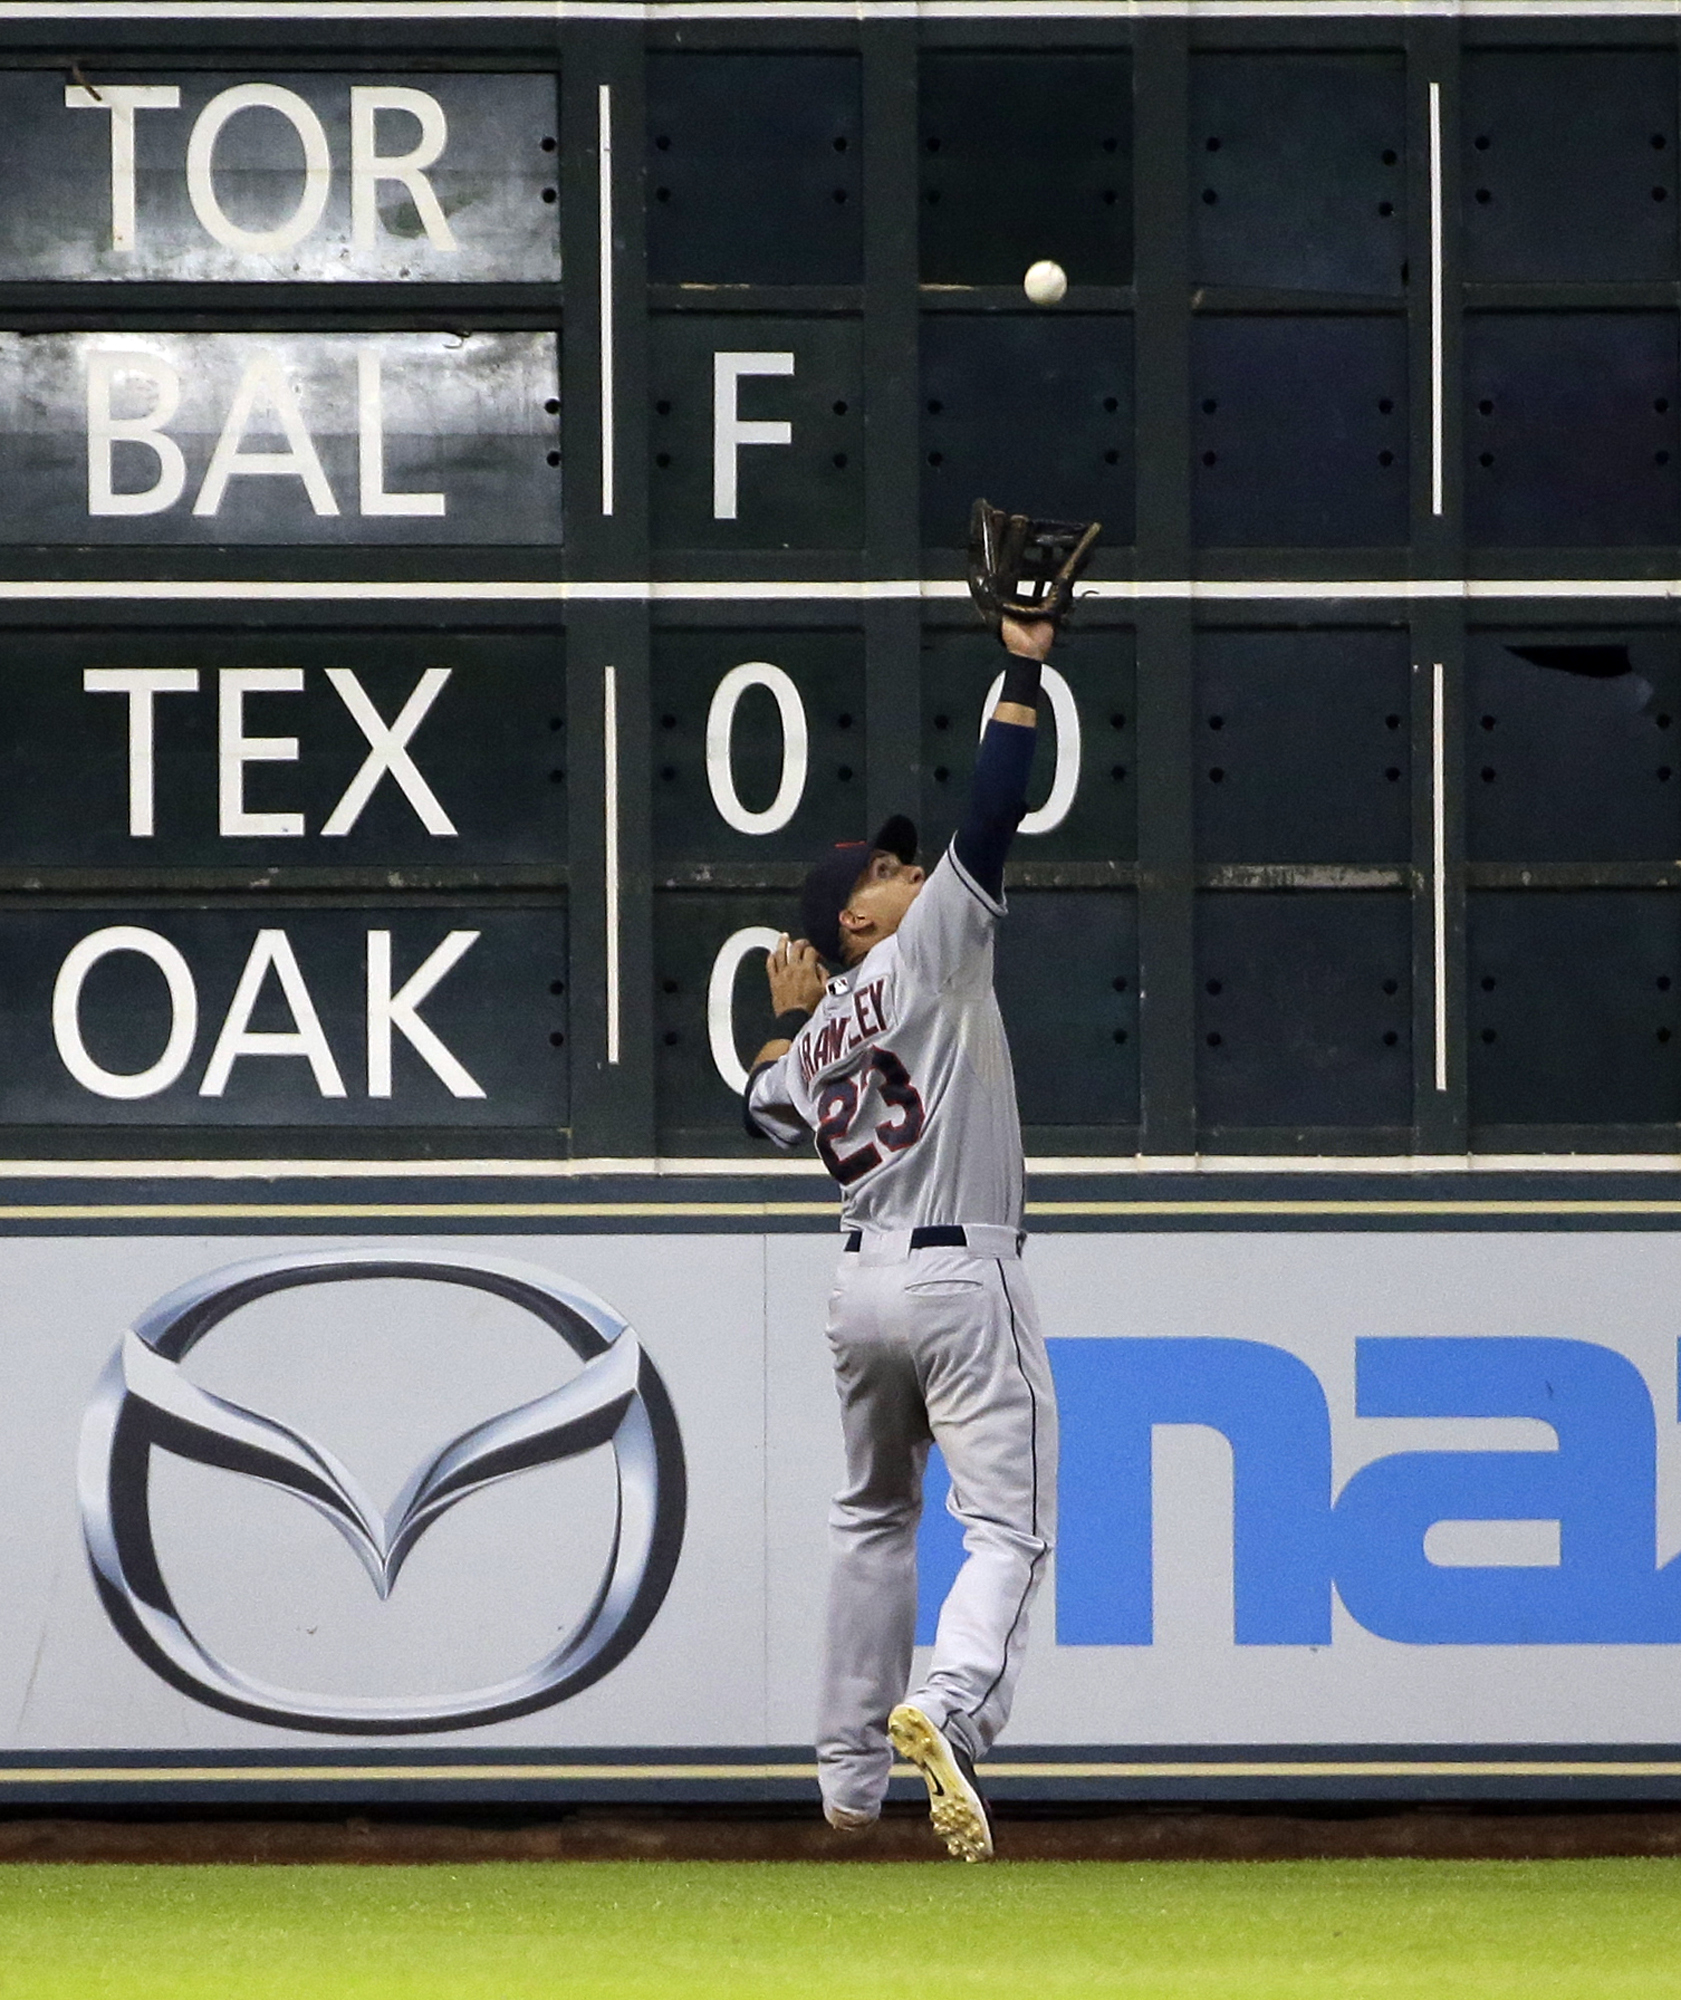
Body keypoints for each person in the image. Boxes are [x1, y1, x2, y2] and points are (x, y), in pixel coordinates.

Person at [742, 608, 1059, 1863]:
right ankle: (950, 1704)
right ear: (861, 925)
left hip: (858, 1282)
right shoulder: (926, 947)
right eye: (880, 870)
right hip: (958, 1272)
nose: (905, 867)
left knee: (872, 1514)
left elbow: (759, 1105)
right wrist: (1023, 666)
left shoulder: (816, 1035)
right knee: (1008, 1529)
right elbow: (995, 811)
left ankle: (844, 1779)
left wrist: (783, 1015)